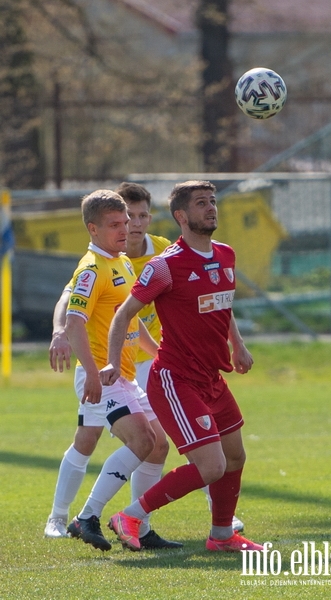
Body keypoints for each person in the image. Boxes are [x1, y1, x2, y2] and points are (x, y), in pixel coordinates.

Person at [100, 180, 261, 552]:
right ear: (181, 216)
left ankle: (221, 536)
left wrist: (237, 344)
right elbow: (123, 315)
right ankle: (131, 515)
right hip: (177, 379)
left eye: (213, 201)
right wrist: (112, 361)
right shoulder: (164, 266)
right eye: (201, 203)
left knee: (235, 456)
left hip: (212, 378)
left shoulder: (225, 254)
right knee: (211, 466)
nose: (211, 208)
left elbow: (222, 303)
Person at [44, 188, 181, 551]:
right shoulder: (92, 269)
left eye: (127, 222)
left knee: (157, 446)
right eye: (115, 225)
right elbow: (75, 323)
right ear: (92, 228)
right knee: (138, 441)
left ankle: (139, 524)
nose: (126, 230)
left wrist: (162, 353)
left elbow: (132, 326)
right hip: (103, 378)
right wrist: (91, 372)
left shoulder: (120, 261)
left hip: (124, 376)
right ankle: (82, 516)